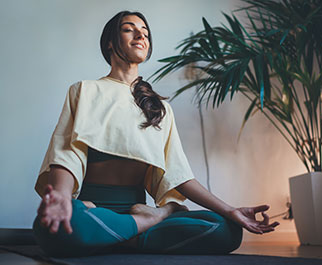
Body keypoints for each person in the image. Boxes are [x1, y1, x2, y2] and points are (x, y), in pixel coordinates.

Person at [32, 10, 280, 258]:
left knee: (226, 229)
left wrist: (231, 211)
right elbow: (67, 153)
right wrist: (63, 199)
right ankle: (150, 223)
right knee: (58, 227)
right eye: (129, 29)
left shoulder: (161, 109)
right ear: (109, 42)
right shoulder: (85, 91)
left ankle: (115, 233)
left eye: (146, 33)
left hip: (134, 208)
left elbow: (179, 176)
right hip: (91, 209)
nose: (140, 34)